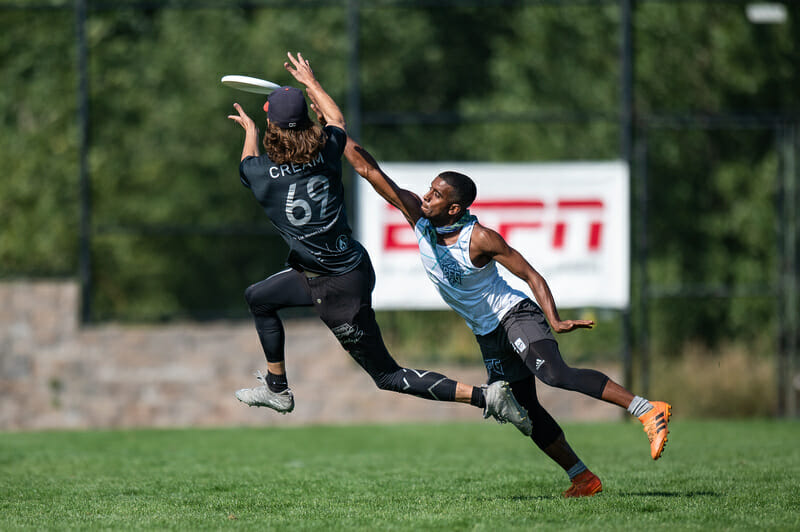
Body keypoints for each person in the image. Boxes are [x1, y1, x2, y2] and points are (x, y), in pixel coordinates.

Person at [344, 139, 673, 498]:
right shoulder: (419, 220)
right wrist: (332, 129)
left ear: (454, 208)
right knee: (523, 412)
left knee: (554, 373)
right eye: (429, 189)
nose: (426, 197)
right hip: (487, 333)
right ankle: (582, 478)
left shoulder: (480, 238)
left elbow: (531, 275)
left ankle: (646, 408)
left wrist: (556, 318)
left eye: (436, 194)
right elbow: (369, 170)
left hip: (514, 315)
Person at [226, 52, 529, 430]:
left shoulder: (259, 173)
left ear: (272, 128)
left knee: (387, 375)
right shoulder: (328, 149)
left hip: (335, 290)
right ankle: (277, 388)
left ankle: (489, 397)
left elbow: (247, 160)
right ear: (306, 122)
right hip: (349, 266)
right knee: (259, 297)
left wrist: (250, 133)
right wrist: (311, 82)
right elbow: (336, 119)